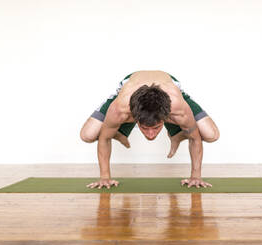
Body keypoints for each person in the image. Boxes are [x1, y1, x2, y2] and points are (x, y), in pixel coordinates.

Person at [80, 70, 219, 189]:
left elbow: (195, 138)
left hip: (168, 88)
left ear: (166, 118)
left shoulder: (178, 108)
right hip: (130, 86)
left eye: (156, 127)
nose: (151, 135)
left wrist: (196, 176)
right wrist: (105, 177)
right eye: (145, 128)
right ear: (135, 119)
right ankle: (119, 131)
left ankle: (176, 134)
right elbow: (104, 138)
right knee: (87, 135)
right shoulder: (120, 109)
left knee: (211, 134)